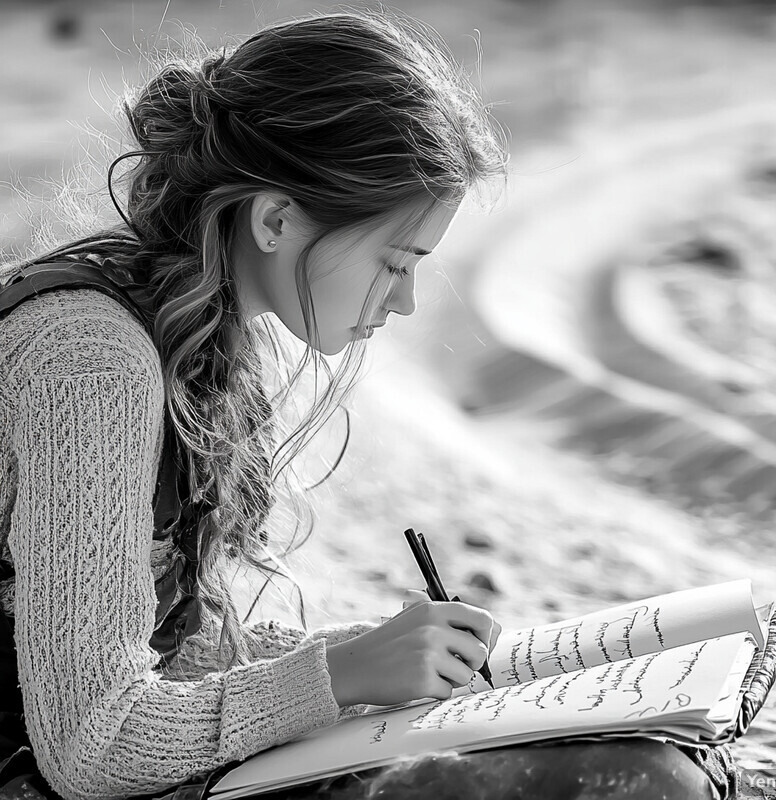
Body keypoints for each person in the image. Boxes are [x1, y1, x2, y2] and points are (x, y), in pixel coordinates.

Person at [0, 8, 737, 800]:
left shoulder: (197, 335)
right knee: (645, 778)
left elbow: (146, 648)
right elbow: (90, 745)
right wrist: (340, 673)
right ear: (276, 217)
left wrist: (360, 656)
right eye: (396, 260)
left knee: (646, 757)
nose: (409, 301)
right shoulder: (90, 362)